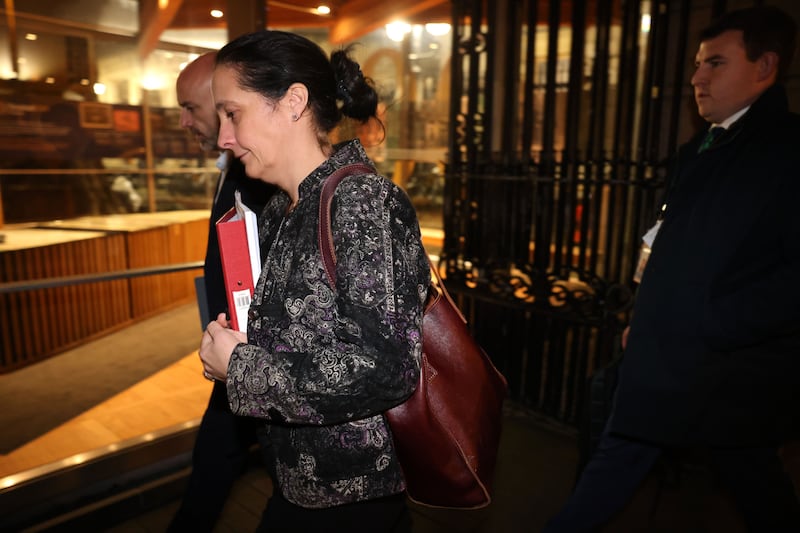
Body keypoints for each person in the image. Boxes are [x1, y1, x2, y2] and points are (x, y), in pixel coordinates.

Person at [545, 6, 800, 532]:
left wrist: (707, 325)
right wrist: (646, 316)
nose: (696, 79)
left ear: (765, 65)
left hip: (726, 368)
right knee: (624, 458)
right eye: (696, 65)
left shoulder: (787, 151)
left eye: (715, 64)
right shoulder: (700, 148)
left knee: (751, 476)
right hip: (669, 361)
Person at [197, 31, 430, 532]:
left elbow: (386, 369)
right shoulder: (282, 207)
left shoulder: (363, 202)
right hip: (297, 487)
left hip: (353, 503)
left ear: (293, 102)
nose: (222, 137)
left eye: (232, 113)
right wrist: (237, 342)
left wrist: (241, 368)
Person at [168, 51, 276, 532]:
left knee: (221, 460)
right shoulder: (232, 165)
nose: (183, 121)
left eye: (191, 107)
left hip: (257, 356)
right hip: (237, 351)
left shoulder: (258, 175)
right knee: (219, 461)